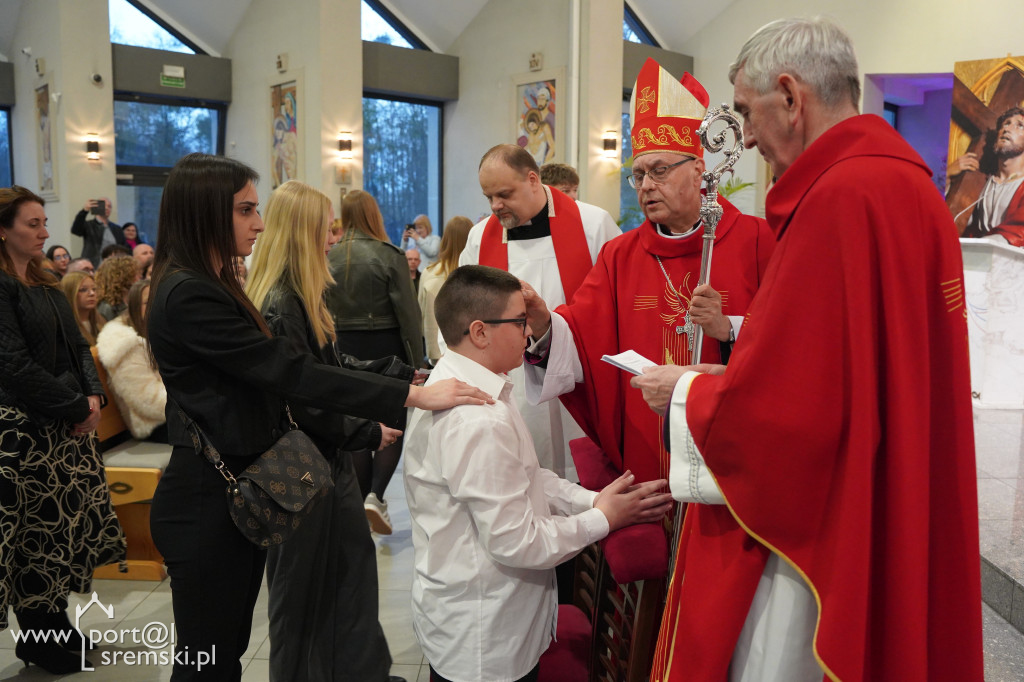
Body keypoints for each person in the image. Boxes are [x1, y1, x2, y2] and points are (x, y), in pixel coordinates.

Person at [630, 18, 983, 681]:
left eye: (747, 113)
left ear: (790, 97)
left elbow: (792, 415)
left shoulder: (838, 198)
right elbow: (843, 372)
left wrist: (682, 392)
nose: (749, 137)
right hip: (886, 477)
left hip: (817, 530)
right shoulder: (910, 185)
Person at [146, 153, 490, 681]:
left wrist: (398, 383)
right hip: (203, 499)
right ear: (205, 211)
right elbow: (290, 371)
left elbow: (303, 368)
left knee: (225, 650)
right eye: (244, 210)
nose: (258, 223)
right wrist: (406, 395)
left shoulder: (209, 282)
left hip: (231, 488)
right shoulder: (188, 292)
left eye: (257, 210)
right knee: (207, 660)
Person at [403, 264, 672, 682]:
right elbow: (518, 543)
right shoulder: (476, 419)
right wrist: (604, 519)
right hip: (485, 633)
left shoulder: (464, 379)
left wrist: (591, 499)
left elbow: (527, 475)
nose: (529, 333)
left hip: (482, 612)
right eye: (518, 321)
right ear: (480, 332)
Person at [523, 60, 775, 486]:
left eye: (659, 171)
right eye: (638, 174)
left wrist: (727, 328)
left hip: (732, 451)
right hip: (646, 449)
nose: (645, 186)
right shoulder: (620, 256)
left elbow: (790, 342)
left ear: (699, 170)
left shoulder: (757, 241)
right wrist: (544, 323)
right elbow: (582, 336)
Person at [247, 180, 408, 682]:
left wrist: (397, 372)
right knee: (301, 596)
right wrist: (365, 429)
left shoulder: (301, 294)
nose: (335, 238)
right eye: (327, 228)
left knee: (349, 576)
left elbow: (334, 365)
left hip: (323, 459)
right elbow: (302, 393)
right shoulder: (280, 302)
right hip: (297, 466)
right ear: (302, 232)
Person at [0, 185, 125, 674]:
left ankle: (55, 622)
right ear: (3, 230)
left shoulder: (45, 277)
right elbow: (12, 364)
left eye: (43, 222)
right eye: (32, 224)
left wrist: (94, 396)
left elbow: (77, 343)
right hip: (23, 432)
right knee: (33, 538)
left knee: (60, 535)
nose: (45, 232)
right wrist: (76, 405)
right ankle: (39, 636)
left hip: (63, 431)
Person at [460, 143, 620, 478]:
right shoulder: (479, 239)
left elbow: (615, 304)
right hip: (514, 382)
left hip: (580, 372)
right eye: (488, 197)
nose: (495, 206)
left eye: (504, 194)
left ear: (533, 180)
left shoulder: (592, 225)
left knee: (585, 478)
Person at [327, 189, 424, 535]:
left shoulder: (329, 256)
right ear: (373, 215)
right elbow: (409, 316)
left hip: (344, 349)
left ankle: (359, 501)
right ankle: (376, 495)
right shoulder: (389, 255)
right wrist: (416, 362)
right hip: (387, 348)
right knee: (391, 423)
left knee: (357, 424)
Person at [95, 279, 167, 442]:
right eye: (148, 302)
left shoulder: (161, 329)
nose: (155, 306)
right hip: (155, 424)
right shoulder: (126, 345)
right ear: (134, 307)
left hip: (176, 414)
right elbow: (147, 400)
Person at [954, 106, 1024, 245]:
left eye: (1019, 125)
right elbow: (960, 219)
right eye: (1006, 124)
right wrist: (950, 177)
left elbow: (1019, 230)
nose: (1007, 129)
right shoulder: (981, 182)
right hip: (976, 258)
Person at [418, 216, 473, 366]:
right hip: (473, 350)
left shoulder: (428, 273)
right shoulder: (478, 274)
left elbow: (421, 314)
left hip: (436, 353)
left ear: (445, 240)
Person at [71, 197, 124, 267]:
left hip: (113, 266)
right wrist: (85, 210)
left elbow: (123, 248)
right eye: (104, 205)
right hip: (93, 265)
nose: (107, 208)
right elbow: (75, 230)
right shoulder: (89, 225)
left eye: (109, 206)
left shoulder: (117, 229)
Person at [59, 270, 105, 345]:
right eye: (84, 290)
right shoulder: (64, 329)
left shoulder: (101, 321)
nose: (92, 293)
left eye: (94, 289)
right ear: (71, 293)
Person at [95, 253, 139, 321]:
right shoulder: (106, 307)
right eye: (134, 274)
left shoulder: (134, 300)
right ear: (122, 277)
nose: (138, 278)